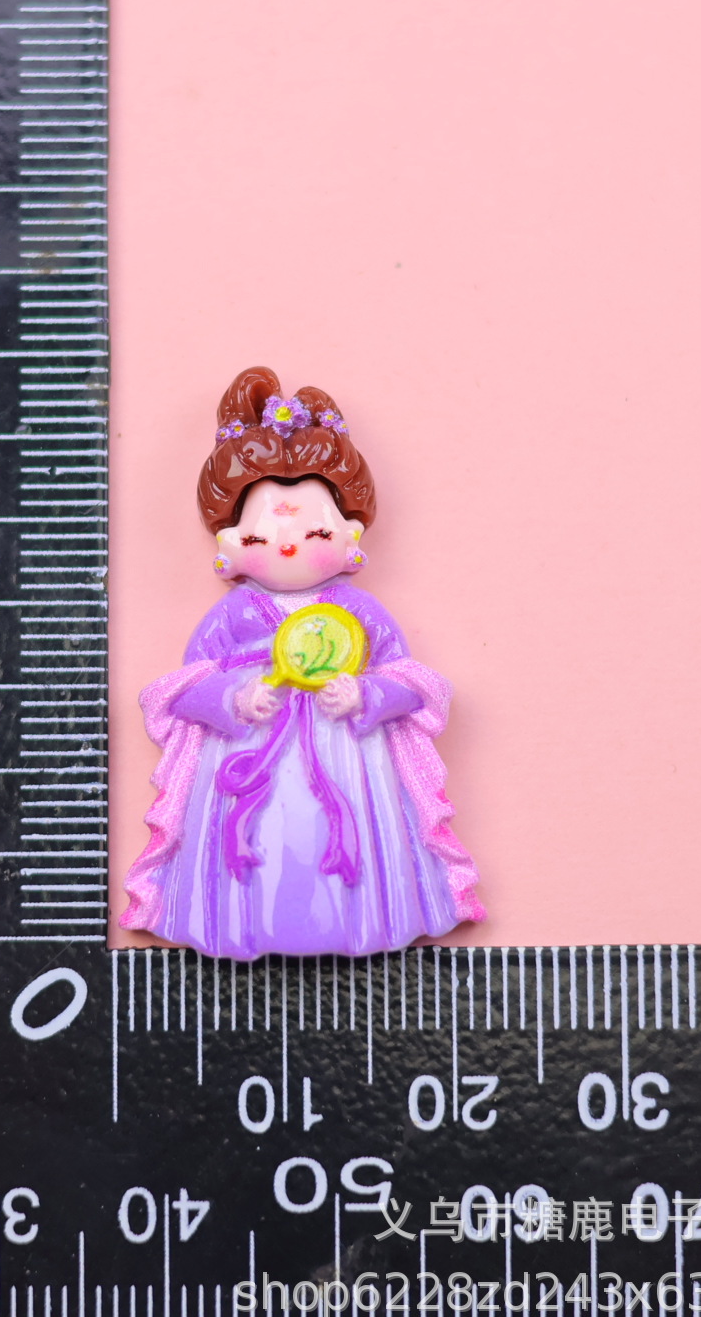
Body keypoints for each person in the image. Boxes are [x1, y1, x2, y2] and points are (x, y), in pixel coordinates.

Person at [120, 366, 486, 958]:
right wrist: (234, 698)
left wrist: (367, 695)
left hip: (346, 753)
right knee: (256, 839)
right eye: (262, 537)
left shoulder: (358, 610)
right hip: (250, 747)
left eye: (313, 533)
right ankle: (241, 922)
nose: (288, 545)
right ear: (229, 545)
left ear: (350, 536)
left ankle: (359, 920)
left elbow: (410, 680)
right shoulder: (232, 615)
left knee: (342, 833)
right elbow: (185, 687)